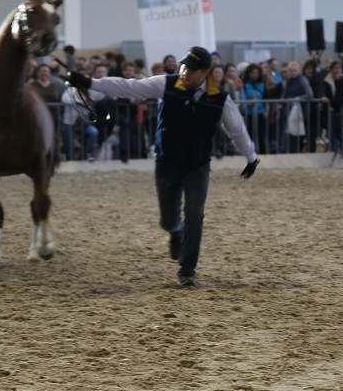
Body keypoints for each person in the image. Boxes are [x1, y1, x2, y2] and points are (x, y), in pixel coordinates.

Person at [66, 46, 259, 286]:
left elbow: (237, 129)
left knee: (194, 214)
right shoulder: (167, 84)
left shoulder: (220, 98)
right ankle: (175, 232)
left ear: (205, 72)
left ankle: (187, 271)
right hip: (167, 161)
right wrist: (89, 81)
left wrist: (251, 156)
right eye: (185, 66)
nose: (186, 72)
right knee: (168, 219)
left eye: (193, 69)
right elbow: (129, 87)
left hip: (198, 164)